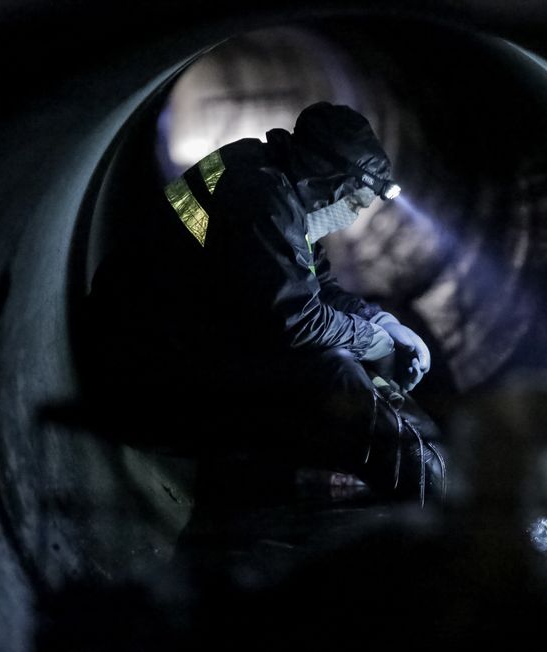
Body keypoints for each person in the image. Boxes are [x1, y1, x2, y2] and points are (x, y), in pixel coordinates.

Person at [85, 102, 446, 503]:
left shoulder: (265, 176)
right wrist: (372, 340)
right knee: (332, 371)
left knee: (337, 351)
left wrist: (383, 322)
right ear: (330, 184)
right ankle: (422, 493)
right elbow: (299, 320)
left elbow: (317, 286)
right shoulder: (261, 196)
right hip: (142, 380)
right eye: (355, 204)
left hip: (160, 342)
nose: (354, 217)